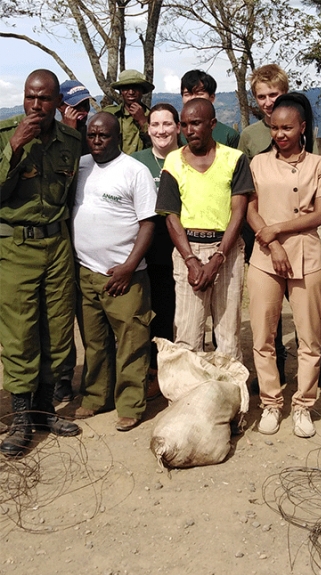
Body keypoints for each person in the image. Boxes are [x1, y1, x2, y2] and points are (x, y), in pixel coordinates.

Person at [0, 69, 81, 457]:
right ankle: (21, 416)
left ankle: (45, 409)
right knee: (20, 334)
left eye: (44, 99)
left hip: (58, 245)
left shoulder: (70, 140)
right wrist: (14, 148)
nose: (36, 105)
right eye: (31, 97)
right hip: (16, 248)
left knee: (58, 330)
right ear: (24, 97)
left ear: (56, 102)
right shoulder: (6, 136)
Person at [246, 93, 321, 438]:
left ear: (302, 128)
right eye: (275, 128)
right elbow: (251, 210)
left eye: (287, 128)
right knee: (263, 336)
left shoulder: (317, 165)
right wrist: (273, 244)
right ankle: (270, 402)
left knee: (310, 338)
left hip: (307, 257)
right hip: (266, 258)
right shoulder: (258, 164)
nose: (280, 134)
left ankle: (303, 405)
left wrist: (277, 229)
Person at [71, 113, 156, 432]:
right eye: (91, 135)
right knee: (94, 343)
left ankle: (131, 405)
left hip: (125, 276)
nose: (95, 140)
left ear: (117, 137)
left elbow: (148, 223)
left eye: (103, 136)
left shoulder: (135, 171)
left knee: (131, 341)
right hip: (86, 273)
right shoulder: (81, 167)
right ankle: (96, 397)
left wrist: (129, 267)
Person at [155, 98, 252, 361]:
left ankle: (229, 397)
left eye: (196, 123)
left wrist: (219, 257)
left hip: (227, 250)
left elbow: (238, 213)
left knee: (228, 335)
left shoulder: (234, 159)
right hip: (188, 250)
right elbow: (171, 217)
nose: (189, 130)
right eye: (184, 124)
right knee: (187, 334)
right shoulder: (173, 162)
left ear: (212, 124)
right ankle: (189, 398)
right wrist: (191, 260)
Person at [132, 103, 182, 400]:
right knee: (144, 313)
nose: (161, 130)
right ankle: (148, 371)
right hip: (145, 248)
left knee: (174, 313)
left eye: (167, 124)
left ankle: (173, 371)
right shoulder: (136, 162)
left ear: (178, 127)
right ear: (147, 128)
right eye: (155, 125)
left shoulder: (190, 157)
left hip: (181, 247)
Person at [53, 79, 95, 404]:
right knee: (62, 313)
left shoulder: (94, 139)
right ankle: (62, 379)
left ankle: (95, 378)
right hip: (60, 237)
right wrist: (68, 132)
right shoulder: (55, 140)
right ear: (60, 106)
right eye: (75, 108)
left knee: (89, 316)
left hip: (89, 238)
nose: (82, 114)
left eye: (85, 107)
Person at [180, 70, 240, 148]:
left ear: (212, 97)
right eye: (187, 94)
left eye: (199, 93)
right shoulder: (175, 133)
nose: (193, 98)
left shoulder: (228, 135)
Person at [102, 69, 153, 154]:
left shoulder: (153, 116)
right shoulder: (110, 114)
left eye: (135, 88)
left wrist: (142, 121)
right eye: (126, 88)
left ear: (142, 91)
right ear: (121, 91)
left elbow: (159, 142)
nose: (131, 92)